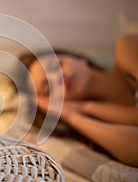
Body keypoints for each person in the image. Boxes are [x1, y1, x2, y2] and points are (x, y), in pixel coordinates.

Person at [19, 34, 138, 167]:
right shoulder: (106, 130)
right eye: (49, 88)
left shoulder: (127, 48)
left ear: (79, 58)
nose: (58, 78)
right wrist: (74, 114)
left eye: (57, 65)